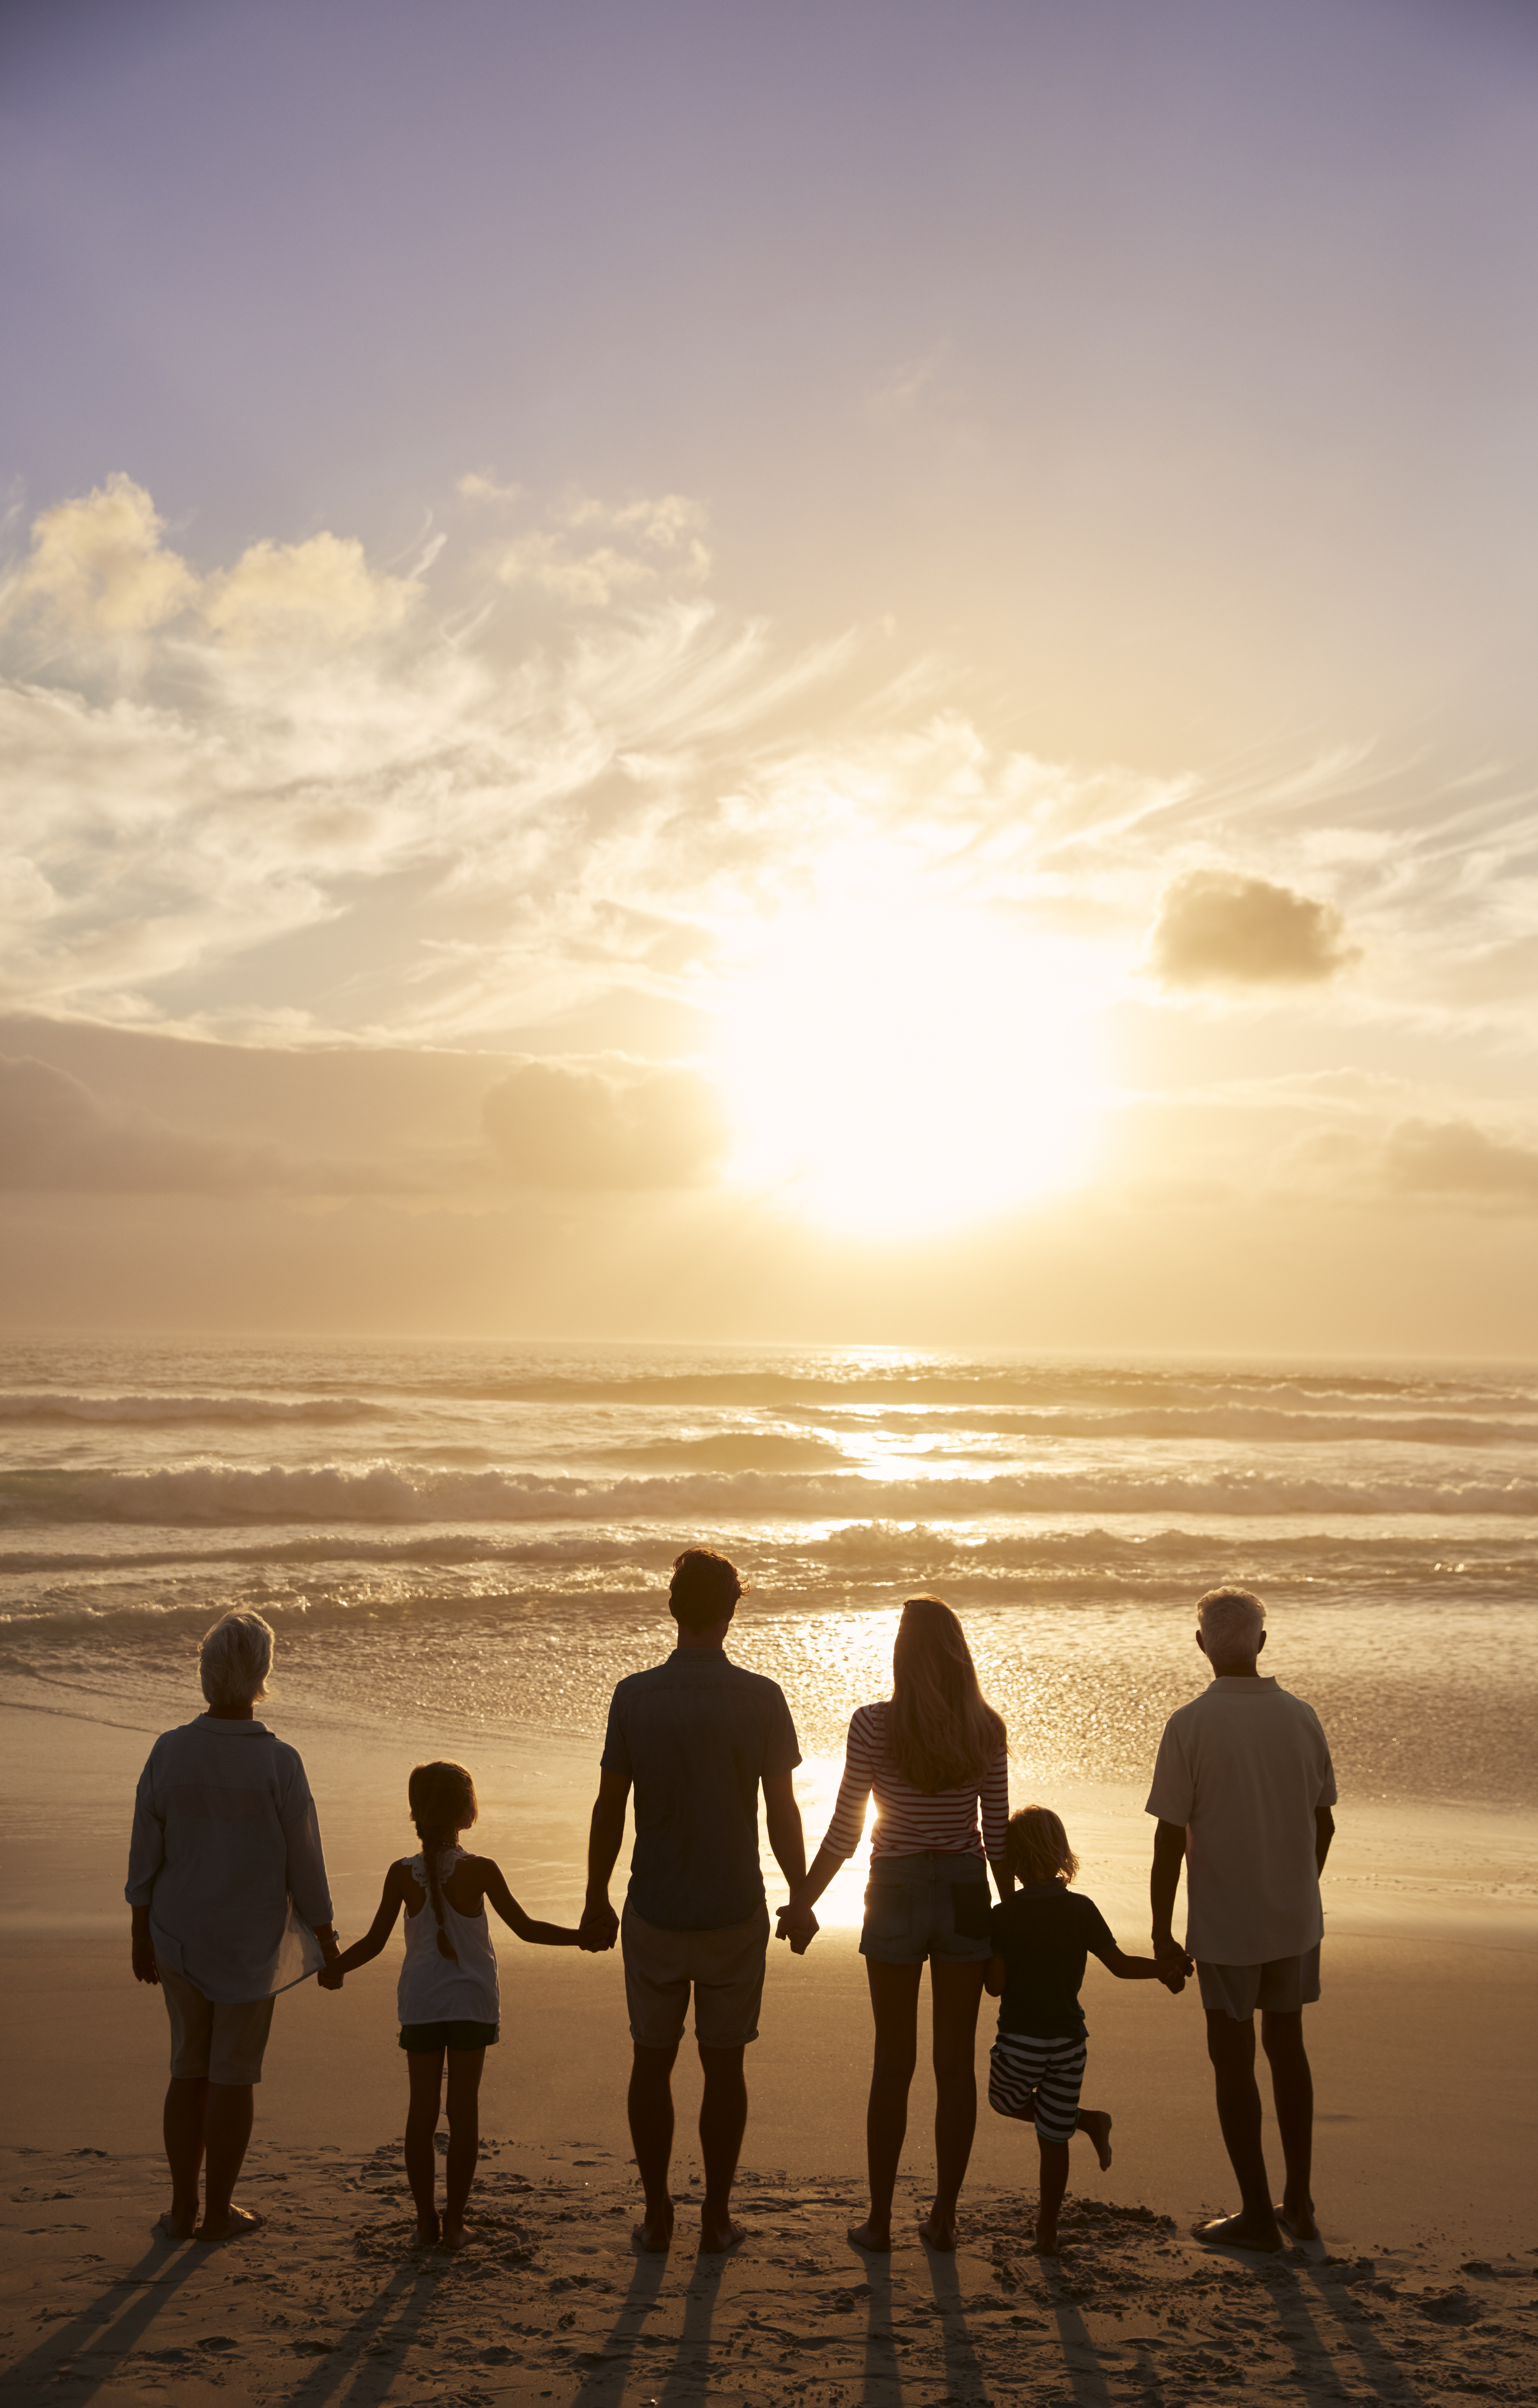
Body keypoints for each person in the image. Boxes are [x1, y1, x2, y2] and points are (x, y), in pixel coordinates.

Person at [581, 1547, 808, 2256]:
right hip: (733, 1908)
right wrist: (801, 1896)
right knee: (725, 2067)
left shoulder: (634, 1696)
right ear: (731, 1611)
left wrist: (595, 1897)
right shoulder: (761, 1698)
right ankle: (716, 2215)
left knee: (651, 2062)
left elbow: (610, 1807)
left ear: (674, 1608)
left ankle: (658, 2215)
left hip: (655, 1904)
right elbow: (782, 1812)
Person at [778, 1594, 1009, 2256]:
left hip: (897, 1890)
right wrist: (1010, 1922)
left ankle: (879, 2222)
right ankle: (943, 2219)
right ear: (959, 1655)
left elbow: (847, 1828)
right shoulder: (985, 1727)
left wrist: (803, 1901)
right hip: (965, 1892)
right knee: (955, 2065)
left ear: (901, 1657)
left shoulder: (873, 1724)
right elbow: (997, 1834)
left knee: (894, 2061)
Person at [126, 1607, 338, 2243]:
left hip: (178, 1931)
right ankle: (219, 2212)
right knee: (232, 2073)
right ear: (261, 1676)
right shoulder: (279, 1762)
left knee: (187, 2066)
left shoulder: (169, 1750)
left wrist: (139, 1931)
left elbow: (145, 1851)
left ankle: (182, 2209)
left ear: (206, 1672)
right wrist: (326, 1937)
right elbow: (305, 1861)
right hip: (249, 1940)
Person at [318, 1759, 583, 2248]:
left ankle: (426, 2223)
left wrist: (335, 1967)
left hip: (421, 2003)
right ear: (467, 1812)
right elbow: (527, 1929)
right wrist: (582, 1937)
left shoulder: (401, 1873)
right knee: (463, 2113)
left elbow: (373, 1942)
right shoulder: (481, 1869)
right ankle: (455, 2223)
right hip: (472, 2003)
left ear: (416, 1812)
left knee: (421, 2112)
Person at [1147, 1586, 1337, 2254]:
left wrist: (1162, 1932)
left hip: (1227, 1924)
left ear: (1202, 1645)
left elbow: (1169, 1840)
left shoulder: (1190, 1724)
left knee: (1233, 2061)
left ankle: (1258, 2214)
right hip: (1294, 1917)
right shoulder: (1302, 1717)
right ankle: (1299, 2203)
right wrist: (1297, 1888)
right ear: (1261, 1641)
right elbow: (1323, 1823)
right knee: (1287, 2048)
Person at [986, 1804, 1188, 2257]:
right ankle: (1047, 2229)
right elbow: (1119, 1965)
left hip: (1020, 2040)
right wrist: (1165, 1968)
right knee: (1053, 2137)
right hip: (1068, 2044)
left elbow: (995, 1987)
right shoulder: (1080, 1908)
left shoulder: (1003, 1915)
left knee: (1004, 2101)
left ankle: (1086, 2122)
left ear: (1012, 1861)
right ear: (1062, 1854)